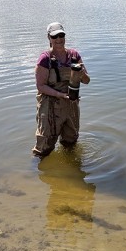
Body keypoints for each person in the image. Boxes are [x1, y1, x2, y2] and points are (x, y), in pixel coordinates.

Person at [32, 22, 90, 158]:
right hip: (50, 105)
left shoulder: (74, 55)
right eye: (54, 36)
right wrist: (59, 94)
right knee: (45, 145)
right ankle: (35, 171)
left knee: (71, 142)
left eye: (61, 35)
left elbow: (87, 81)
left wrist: (81, 73)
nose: (58, 39)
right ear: (49, 38)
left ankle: (69, 167)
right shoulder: (45, 59)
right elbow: (40, 86)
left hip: (71, 104)